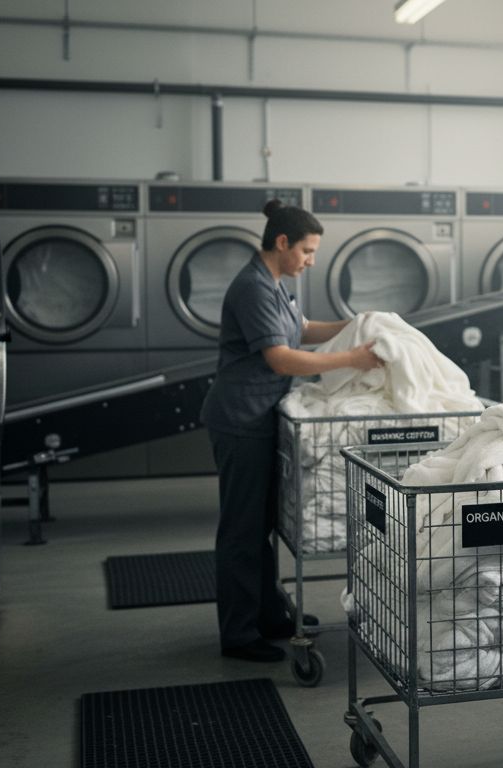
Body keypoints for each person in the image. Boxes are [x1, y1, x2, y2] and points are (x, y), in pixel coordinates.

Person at [199, 199, 381, 662]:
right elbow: (280, 358)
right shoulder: (253, 288)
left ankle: (269, 615)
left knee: (261, 525)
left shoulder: (274, 284)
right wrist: (353, 359)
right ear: (282, 243)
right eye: (307, 250)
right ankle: (239, 634)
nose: (311, 260)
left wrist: (364, 326)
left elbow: (303, 329)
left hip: (260, 415)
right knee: (242, 530)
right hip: (241, 418)